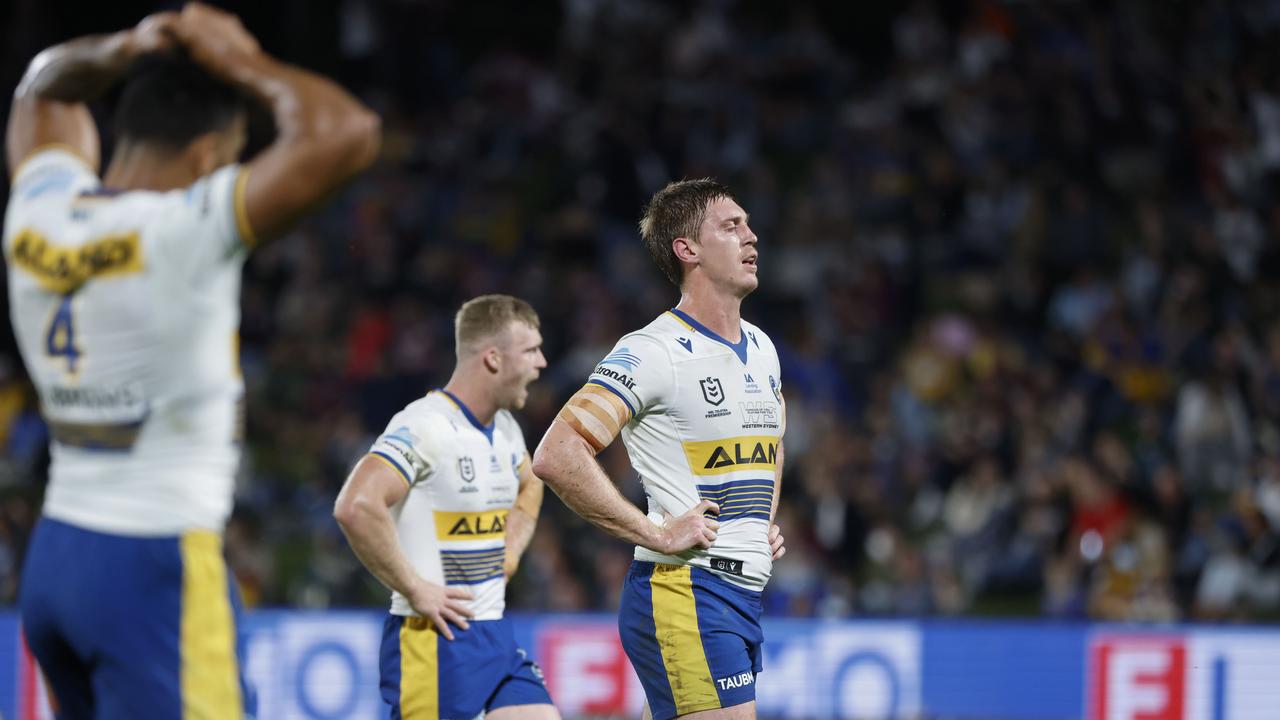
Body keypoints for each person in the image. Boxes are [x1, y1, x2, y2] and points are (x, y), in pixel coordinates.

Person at [5, 4, 379, 718]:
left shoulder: (38, 208)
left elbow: (43, 89)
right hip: (154, 563)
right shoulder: (185, 231)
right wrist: (239, 60)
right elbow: (349, 132)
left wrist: (126, 45)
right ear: (211, 156)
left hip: (56, 557)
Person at [532, 179, 787, 720]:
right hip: (687, 594)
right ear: (687, 249)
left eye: (748, 224)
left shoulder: (762, 348)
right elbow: (557, 452)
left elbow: (772, 445)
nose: (752, 236)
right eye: (731, 226)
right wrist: (656, 533)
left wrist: (758, 522)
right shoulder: (654, 351)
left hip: (738, 596)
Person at [334, 294, 559, 720]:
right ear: (492, 359)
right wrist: (416, 588)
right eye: (530, 350)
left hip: (495, 634)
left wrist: (509, 552)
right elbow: (357, 506)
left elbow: (530, 484)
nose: (542, 362)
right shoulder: (425, 425)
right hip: (434, 641)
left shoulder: (506, 429)